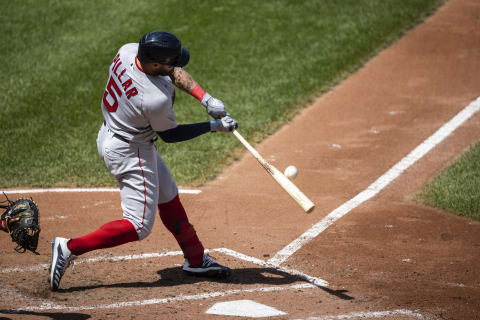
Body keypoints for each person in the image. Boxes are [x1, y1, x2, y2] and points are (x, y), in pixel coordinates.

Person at [48, 30, 238, 291]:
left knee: (168, 193)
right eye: (170, 62)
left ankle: (195, 259)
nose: (175, 66)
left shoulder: (127, 51)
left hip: (113, 133)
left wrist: (205, 98)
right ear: (155, 64)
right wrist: (213, 125)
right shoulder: (153, 100)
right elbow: (170, 135)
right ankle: (69, 247)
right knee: (138, 226)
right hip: (131, 151)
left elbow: (172, 71)